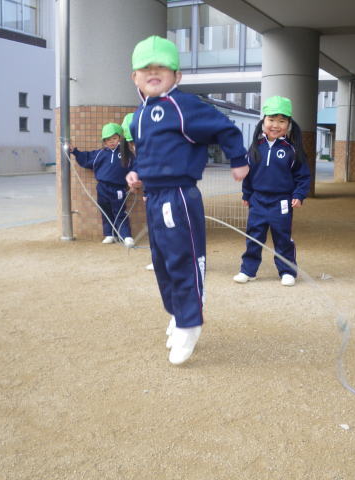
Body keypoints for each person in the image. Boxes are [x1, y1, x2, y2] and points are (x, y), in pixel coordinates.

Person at [126, 35, 249, 365]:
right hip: (153, 197)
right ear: (134, 77)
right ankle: (178, 313)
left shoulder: (184, 106)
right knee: (162, 262)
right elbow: (145, 153)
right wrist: (137, 172)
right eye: (146, 68)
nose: (154, 72)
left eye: (162, 67)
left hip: (179, 195)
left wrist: (238, 160)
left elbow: (225, 128)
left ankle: (190, 322)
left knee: (184, 260)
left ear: (177, 76)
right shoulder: (138, 116)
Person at [233, 95, 310, 287]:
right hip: (257, 201)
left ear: (289, 124)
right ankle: (248, 270)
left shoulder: (292, 150)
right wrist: (246, 194)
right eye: (271, 120)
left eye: (282, 121)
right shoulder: (255, 147)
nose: (275, 125)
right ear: (263, 121)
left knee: (282, 237)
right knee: (254, 236)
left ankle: (287, 271)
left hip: (281, 202)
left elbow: (303, 176)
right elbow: (248, 174)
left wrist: (299, 195)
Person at [70, 123, 134, 247]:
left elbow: (134, 168)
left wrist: (133, 183)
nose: (111, 142)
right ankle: (109, 234)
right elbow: (86, 157)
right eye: (108, 139)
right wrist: (75, 152)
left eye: (114, 138)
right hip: (102, 187)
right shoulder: (100, 153)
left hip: (118, 188)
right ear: (104, 141)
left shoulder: (127, 153)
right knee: (105, 211)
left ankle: (126, 236)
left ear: (120, 138)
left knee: (120, 211)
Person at [122, 112, 153, 272]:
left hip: (168, 194)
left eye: (135, 142)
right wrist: (136, 178)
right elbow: (141, 168)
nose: (134, 147)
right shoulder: (140, 154)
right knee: (156, 229)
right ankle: (159, 259)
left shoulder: (159, 148)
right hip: (152, 195)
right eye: (131, 143)